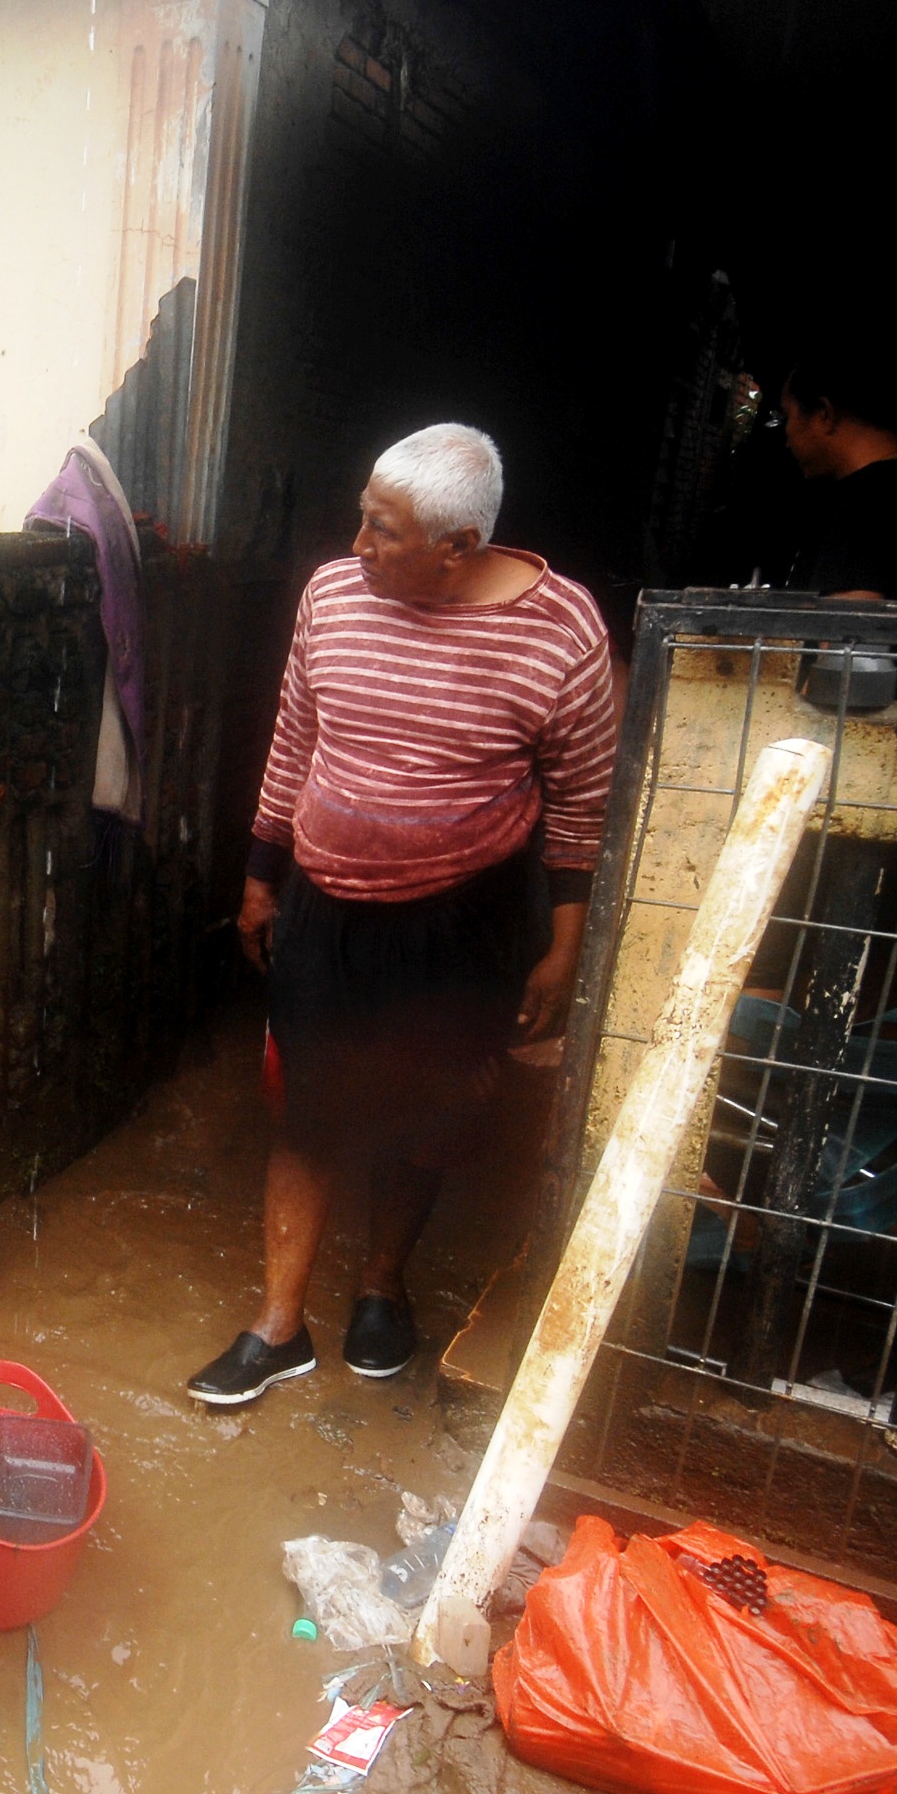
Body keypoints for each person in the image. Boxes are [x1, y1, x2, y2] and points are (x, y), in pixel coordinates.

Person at [187, 424, 619, 1405]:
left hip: (461, 921)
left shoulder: (562, 631)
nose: (357, 543)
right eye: (363, 518)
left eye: (382, 530)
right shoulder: (333, 595)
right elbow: (293, 733)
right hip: (324, 908)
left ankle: (381, 1289)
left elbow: (584, 799)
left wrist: (561, 943)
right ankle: (279, 1323)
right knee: (307, 1106)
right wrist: (261, 873)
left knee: (429, 1113)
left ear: (455, 548)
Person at [779, 346, 897, 599]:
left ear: (824, 414)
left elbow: (846, 632)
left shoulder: (864, 503)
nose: (787, 438)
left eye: (787, 416)